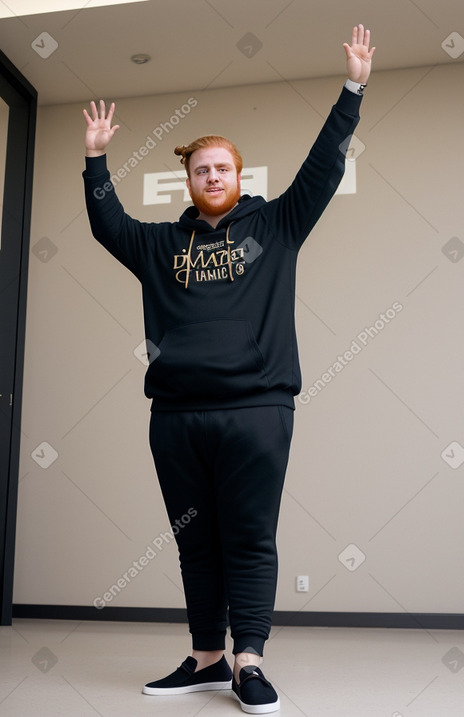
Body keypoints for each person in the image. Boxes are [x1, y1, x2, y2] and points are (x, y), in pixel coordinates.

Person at [82, 24, 375, 715]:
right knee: (195, 540)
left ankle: (250, 660)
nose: (213, 176)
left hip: (256, 411)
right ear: (188, 179)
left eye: (223, 167)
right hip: (176, 417)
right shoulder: (160, 246)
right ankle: (207, 655)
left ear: (239, 177)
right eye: (201, 168)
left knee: (247, 534)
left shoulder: (275, 226)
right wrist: (96, 160)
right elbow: (106, 226)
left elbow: (323, 165)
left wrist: (353, 88)